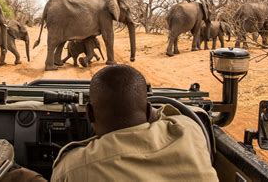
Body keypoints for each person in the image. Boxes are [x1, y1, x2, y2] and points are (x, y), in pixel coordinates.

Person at [51, 64, 218, 182]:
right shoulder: (188, 129)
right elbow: (167, 114)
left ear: (89, 114)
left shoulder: (71, 168)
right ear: (147, 110)